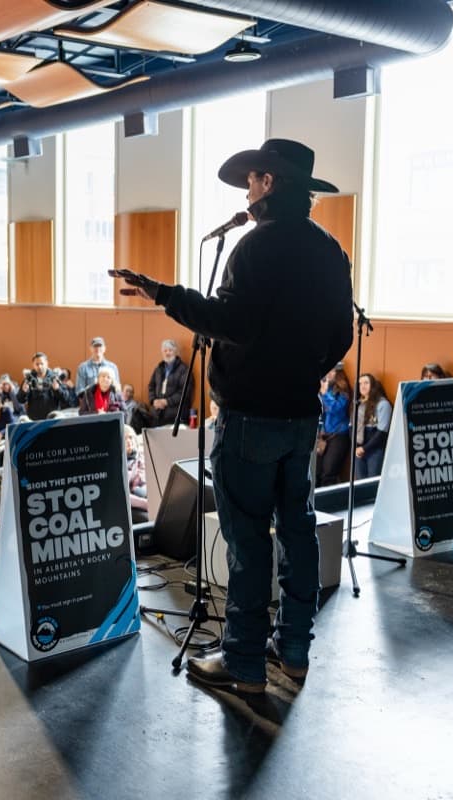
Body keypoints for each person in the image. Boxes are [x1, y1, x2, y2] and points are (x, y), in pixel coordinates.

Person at [113, 138, 353, 693]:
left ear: (269, 183)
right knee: (298, 531)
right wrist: (304, 369)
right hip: (301, 416)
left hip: (248, 418)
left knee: (248, 542)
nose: (247, 189)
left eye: (252, 180)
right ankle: (293, 652)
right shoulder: (330, 251)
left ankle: (244, 662)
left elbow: (231, 323)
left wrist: (163, 293)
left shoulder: (254, 248)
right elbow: (340, 335)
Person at [138, 339, 191, 430]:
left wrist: (166, 401)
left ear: (175, 352)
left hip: (175, 416)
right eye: (165, 350)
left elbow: (184, 391)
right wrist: (153, 400)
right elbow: (151, 386)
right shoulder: (159, 368)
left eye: (170, 350)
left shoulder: (184, 369)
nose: (167, 353)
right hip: (157, 416)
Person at [317, 364, 352, 487]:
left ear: (338, 373)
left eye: (331, 371)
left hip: (338, 436)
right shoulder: (323, 388)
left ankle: (327, 503)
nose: (328, 374)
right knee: (316, 470)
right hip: (323, 436)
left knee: (329, 471)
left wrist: (325, 394)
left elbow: (334, 409)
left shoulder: (343, 391)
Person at [354, 373, 392, 479]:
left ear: (373, 385)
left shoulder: (383, 404)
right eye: (360, 383)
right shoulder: (358, 404)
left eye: (366, 383)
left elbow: (381, 433)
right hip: (358, 450)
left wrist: (364, 448)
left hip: (375, 450)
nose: (362, 386)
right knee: (360, 485)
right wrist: (356, 447)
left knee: (373, 483)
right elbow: (352, 427)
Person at [18, 353, 66, 420]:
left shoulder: (54, 377)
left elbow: (66, 399)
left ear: (47, 363)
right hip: (34, 421)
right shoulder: (29, 379)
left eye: (42, 363)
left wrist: (57, 389)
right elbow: (20, 400)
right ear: (33, 365)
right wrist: (23, 392)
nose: (39, 366)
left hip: (53, 419)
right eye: (37, 364)